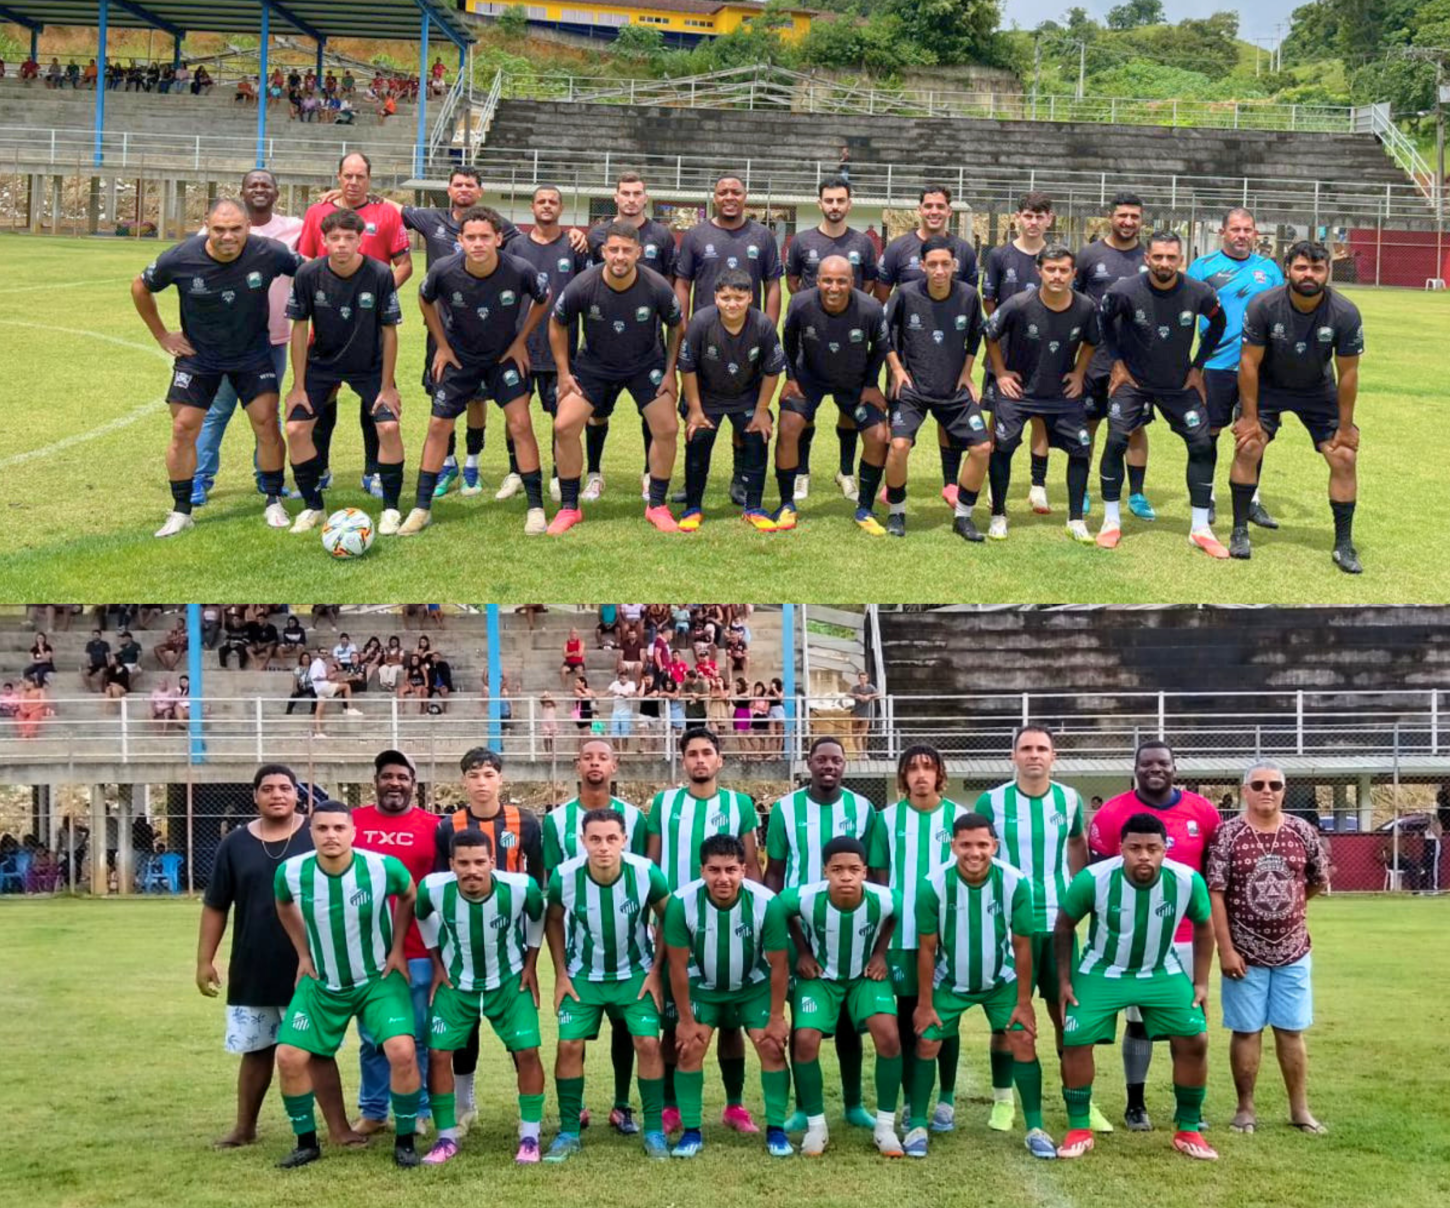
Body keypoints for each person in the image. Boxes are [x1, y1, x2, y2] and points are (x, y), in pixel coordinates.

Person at [196, 765, 358, 1150]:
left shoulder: (318, 835)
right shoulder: (235, 844)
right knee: (255, 1051)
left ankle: (339, 1128)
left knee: (315, 1050)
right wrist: (205, 960)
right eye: (267, 788)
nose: (277, 795)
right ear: (256, 796)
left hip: (310, 965)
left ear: (298, 794)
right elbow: (216, 905)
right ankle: (244, 1128)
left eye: (285, 787)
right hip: (253, 963)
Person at [1053, 813, 1217, 1162]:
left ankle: (1188, 1128)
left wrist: (1200, 982)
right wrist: (1065, 981)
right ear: (1121, 848)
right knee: (1075, 1039)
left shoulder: (1187, 880)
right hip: (1102, 971)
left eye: (1153, 848)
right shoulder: (1093, 879)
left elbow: (1205, 926)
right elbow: (1064, 926)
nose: (1144, 856)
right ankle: (1079, 1128)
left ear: (1165, 849)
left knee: (1195, 1038)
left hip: (1161, 970)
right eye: (1135, 848)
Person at [132, 196, 300, 536]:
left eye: (236, 229)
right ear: (206, 228)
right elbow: (140, 287)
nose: (228, 236)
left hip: (252, 355)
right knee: (183, 429)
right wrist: (163, 335)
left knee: (267, 425)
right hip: (200, 358)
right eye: (219, 229)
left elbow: (311, 272)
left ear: (248, 228)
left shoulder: (269, 252)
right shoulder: (181, 257)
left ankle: (272, 500)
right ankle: (181, 510)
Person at [272, 801, 423, 1169]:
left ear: (353, 832)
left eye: (339, 828)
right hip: (323, 982)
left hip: (377, 980)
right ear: (311, 833)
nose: (331, 835)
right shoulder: (290, 872)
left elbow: (409, 895)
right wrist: (303, 954)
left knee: (402, 1050)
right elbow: (283, 905)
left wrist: (398, 948)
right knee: (289, 1056)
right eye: (322, 829)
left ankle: (404, 1141)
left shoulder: (381, 866)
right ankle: (306, 1142)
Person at [977, 726, 1105, 1134]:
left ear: (1054, 756)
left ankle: (1081, 1103)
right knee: (1006, 1019)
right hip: (1007, 926)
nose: (1034, 755)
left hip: (1057, 926)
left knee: (1066, 1016)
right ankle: (1002, 1101)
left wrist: (1080, 898)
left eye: (1042, 749)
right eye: (1026, 748)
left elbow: (1076, 847)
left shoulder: (1069, 799)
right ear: (1013, 755)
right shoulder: (992, 800)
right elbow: (979, 853)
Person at [1089, 741, 1221, 1130]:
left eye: (1162, 763)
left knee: (1190, 1023)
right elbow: (1099, 874)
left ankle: (1190, 1110)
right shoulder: (1114, 812)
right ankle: (1136, 1104)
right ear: (1135, 768)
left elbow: (1213, 873)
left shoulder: (1203, 811)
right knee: (1139, 1022)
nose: (1154, 769)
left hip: (1186, 935)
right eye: (1146, 763)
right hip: (1136, 934)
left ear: (1175, 768)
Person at [908, 813, 1054, 1159]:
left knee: (1023, 1038)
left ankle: (1035, 1127)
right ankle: (916, 1123)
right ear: (953, 845)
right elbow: (926, 948)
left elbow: (1022, 945)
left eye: (982, 845)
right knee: (927, 1041)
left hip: (1001, 981)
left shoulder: (1016, 882)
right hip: (949, 980)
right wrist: (925, 1004)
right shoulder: (933, 884)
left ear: (995, 846)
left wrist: (1024, 1001)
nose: (974, 852)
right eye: (966, 845)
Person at [401, 205, 551, 537]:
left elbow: (543, 298)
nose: (478, 243)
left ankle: (536, 508)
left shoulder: (519, 269)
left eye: (485, 236)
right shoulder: (444, 269)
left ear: (499, 238)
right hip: (460, 357)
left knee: (521, 423)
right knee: (439, 424)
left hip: (503, 357)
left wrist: (521, 340)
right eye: (471, 237)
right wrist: (441, 343)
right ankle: (421, 508)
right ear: (461, 240)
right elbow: (424, 299)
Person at [647, 727, 763, 1135]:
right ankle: (670, 1104)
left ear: (719, 760)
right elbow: (651, 864)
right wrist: (654, 918)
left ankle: (734, 1106)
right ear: (683, 760)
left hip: (731, 923)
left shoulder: (740, 804)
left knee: (731, 1018)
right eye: (692, 753)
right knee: (673, 1020)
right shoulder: (663, 803)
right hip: (675, 926)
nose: (699, 759)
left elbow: (751, 863)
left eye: (707, 753)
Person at [1227, 240, 1366, 572]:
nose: (1309, 275)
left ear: (1327, 272)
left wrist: (1346, 427)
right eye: (1301, 267)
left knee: (1344, 456)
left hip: (1316, 391)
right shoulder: (1263, 305)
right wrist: (1248, 417)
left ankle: (1343, 543)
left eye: (1317, 269)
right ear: (1287, 269)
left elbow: (1348, 374)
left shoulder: (1345, 312)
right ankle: (1239, 530)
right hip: (1268, 388)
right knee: (1248, 447)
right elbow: (1248, 364)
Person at [1207, 761, 1329, 1135]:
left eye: (1274, 785)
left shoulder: (1301, 831)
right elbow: (1216, 892)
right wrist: (1226, 949)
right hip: (1244, 953)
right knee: (1246, 1030)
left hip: (1293, 951)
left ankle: (1300, 1110)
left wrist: (1287, 910)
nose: (1267, 791)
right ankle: (1245, 1109)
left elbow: (1316, 880)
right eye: (1258, 784)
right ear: (1245, 790)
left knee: (1291, 1030)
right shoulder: (1227, 835)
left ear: (1283, 790)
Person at [544, 808, 672, 1161]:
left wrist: (655, 972)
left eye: (611, 838)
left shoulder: (646, 873)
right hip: (583, 975)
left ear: (624, 840)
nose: (603, 846)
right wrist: (560, 973)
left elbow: (668, 918)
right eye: (595, 839)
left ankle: (655, 1132)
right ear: (583, 841)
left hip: (635, 972)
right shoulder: (564, 877)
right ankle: (569, 1132)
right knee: (568, 1046)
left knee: (647, 1043)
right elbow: (553, 920)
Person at [415, 829, 547, 1164]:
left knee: (528, 1051)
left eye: (479, 862)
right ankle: (446, 1137)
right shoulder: (432, 888)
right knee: (439, 1052)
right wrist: (436, 963)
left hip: (509, 979)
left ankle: (530, 1135)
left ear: (492, 861)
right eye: (463, 863)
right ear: (451, 864)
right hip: (457, 982)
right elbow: (421, 915)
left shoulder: (520, 888)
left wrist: (531, 964)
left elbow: (537, 916)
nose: (471, 870)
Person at [1096, 230, 1227, 555]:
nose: (1164, 263)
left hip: (1178, 383)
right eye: (1158, 257)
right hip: (1134, 383)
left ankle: (1200, 528)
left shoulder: (1200, 292)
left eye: (1171, 257)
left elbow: (1219, 323)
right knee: (1116, 440)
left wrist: (1198, 365)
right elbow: (1103, 321)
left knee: (1201, 443)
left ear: (1180, 260)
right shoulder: (1124, 290)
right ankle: (1111, 522)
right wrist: (1117, 363)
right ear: (1147, 258)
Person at [548, 222, 684, 534]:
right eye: (613, 250)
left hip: (644, 365)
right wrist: (564, 373)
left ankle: (657, 506)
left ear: (638, 252)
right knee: (564, 426)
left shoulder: (656, 286)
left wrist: (669, 372)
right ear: (603, 251)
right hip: (594, 365)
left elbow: (677, 325)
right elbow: (557, 323)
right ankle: (569, 507)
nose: (619, 257)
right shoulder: (583, 284)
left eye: (626, 250)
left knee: (667, 427)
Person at [664, 834, 792, 1158]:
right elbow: (677, 967)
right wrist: (685, 1019)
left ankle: (776, 1130)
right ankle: (692, 1132)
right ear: (702, 870)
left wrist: (777, 1018)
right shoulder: (681, 903)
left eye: (731, 870)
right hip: (702, 989)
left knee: (772, 1046)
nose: (723, 878)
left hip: (753, 987)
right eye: (714, 870)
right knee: (689, 1047)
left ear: (745, 869)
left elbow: (779, 965)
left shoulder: (767, 903)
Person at [296, 152, 412, 498]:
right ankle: (321, 468)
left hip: (369, 326)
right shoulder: (318, 212)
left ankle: (373, 471)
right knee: (323, 399)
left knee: (372, 400)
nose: (354, 182)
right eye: (348, 176)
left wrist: (376, 299)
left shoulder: (386, 212)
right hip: (326, 325)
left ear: (370, 179)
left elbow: (403, 263)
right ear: (338, 177)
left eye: (360, 176)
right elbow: (305, 261)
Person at [283, 208, 405, 534]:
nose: (341, 245)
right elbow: (298, 327)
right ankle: (313, 508)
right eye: (334, 238)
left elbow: (390, 331)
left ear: (360, 240)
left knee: (389, 428)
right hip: (322, 364)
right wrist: (297, 385)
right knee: (296, 429)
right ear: (323, 241)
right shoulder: (308, 274)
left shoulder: (379, 274)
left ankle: (391, 509)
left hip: (369, 365)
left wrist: (388, 386)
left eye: (349, 238)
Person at [866, 745, 968, 1135]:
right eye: (913, 769)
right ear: (903, 777)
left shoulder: (959, 818)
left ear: (940, 773)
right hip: (903, 935)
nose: (921, 775)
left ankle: (947, 1099)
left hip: (951, 933)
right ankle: (912, 1101)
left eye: (928, 767)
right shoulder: (887, 819)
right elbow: (878, 879)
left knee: (948, 1016)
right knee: (911, 1015)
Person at [778, 836, 902, 1157]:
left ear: (864, 872)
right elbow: (779, 908)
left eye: (853, 869)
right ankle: (816, 1127)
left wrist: (880, 953)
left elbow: (897, 914)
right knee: (804, 1039)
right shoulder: (806, 898)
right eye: (837, 869)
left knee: (888, 1035)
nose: (845, 876)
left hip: (864, 976)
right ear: (825, 871)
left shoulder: (884, 899)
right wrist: (802, 951)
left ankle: (885, 1127)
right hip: (821, 978)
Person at [674, 175, 785, 509]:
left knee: (745, 414)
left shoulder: (762, 235)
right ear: (714, 197)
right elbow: (683, 282)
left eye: (736, 191)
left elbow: (774, 283)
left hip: (748, 338)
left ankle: (740, 480)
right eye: (723, 192)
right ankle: (692, 484)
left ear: (745, 196)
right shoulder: (696, 234)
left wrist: (768, 325)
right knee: (698, 417)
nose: (729, 197)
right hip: (707, 337)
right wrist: (683, 324)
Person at [349, 750, 439, 1138]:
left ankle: (417, 1110)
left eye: (402, 777)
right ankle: (373, 1110)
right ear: (376, 781)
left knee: (417, 1034)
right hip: (363, 951)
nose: (394, 783)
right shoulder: (352, 823)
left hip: (418, 948)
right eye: (387, 776)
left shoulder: (435, 826)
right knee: (371, 1038)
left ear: (413, 784)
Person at [984, 243, 1098, 543]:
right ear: (1039, 271)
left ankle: (1075, 519)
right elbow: (990, 334)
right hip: (1019, 392)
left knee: (1081, 449)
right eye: (1051, 269)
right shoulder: (1019, 303)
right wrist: (1000, 372)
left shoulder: (1085, 306)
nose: (1057, 276)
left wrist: (1079, 372)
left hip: (1062, 393)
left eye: (1063, 270)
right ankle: (998, 514)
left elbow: (1091, 342)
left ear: (1073, 273)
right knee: (1003, 447)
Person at [882, 235, 990, 540]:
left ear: (954, 265)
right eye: (933, 264)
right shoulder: (904, 294)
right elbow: (882, 334)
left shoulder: (969, 295)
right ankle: (897, 511)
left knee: (982, 448)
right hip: (914, 388)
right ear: (922, 266)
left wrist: (968, 374)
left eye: (945, 264)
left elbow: (974, 336)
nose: (939, 270)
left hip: (953, 389)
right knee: (899, 446)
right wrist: (897, 369)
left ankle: (963, 517)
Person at [776, 256, 891, 533]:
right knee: (788, 427)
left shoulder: (870, 307)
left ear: (852, 282)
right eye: (827, 280)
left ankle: (864, 508)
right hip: (809, 379)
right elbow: (788, 339)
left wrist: (871, 384)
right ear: (818, 281)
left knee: (878, 436)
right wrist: (791, 378)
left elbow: (881, 346)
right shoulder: (801, 303)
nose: (834, 287)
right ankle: (786, 504)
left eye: (841, 281)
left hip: (854, 382)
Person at [1186, 208, 1284, 530]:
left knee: (1255, 434)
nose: (1242, 235)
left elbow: (1282, 315)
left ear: (1255, 233)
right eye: (1236, 229)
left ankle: (1251, 499)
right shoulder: (1203, 268)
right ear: (1223, 232)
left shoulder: (1269, 270)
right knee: (1209, 433)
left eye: (1248, 230)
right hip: (1215, 365)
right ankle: (1207, 496)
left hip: (1259, 369)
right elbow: (1185, 314)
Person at [784, 178, 880, 502]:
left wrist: (845, 311)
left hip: (849, 342)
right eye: (829, 200)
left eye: (841, 200)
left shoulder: (863, 244)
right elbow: (793, 281)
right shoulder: (802, 241)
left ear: (849, 204)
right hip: (811, 342)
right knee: (803, 412)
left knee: (849, 411)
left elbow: (867, 285)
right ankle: (801, 473)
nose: (835, 206)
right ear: (820, 203)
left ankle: (846, 471)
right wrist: (815, 312)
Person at [678, 268, 786, 531]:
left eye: (739, 297)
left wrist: (762, 410)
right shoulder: (701, 322)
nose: (732, 304)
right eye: (726, 298)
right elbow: (687, 367)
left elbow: (772, 371)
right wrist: (694, 409)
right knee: (698, 438)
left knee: (757, 436)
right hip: (706, 397)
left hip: (746, 396)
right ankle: (693, 507)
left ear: (750, 297)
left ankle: (754, 507)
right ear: (716, 298)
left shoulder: (762, 325)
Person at [504, 185, 593, 502]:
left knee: (563, 418)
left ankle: (559, 475)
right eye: (541, 201)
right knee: (515, 415)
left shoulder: (575, 247)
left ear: (561, 208)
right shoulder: (514, 246)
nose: (546, 206)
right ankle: (516, 472)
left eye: (552, 202)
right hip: (520, 347)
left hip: (561, 351)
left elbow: (588, 290)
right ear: (532, 207)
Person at [1074, 191, 1156, 521]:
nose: (1128, 221)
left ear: (1142, 219)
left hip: (1137, 359)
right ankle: (1081, 492)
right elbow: (1074, 302)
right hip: (1096, 355)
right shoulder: (1090, 255)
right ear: (1111, 216)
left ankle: (1136, 493)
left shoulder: (1150, 257)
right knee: (1089, 423)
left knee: (1135, 426)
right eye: (1122, 215)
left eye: (1134, 216)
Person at [849, 671, 878, 755]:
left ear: (867, 679)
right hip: (856, 712)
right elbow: (848, 694)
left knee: (863, 734)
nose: (862, 680)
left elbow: (878, 694)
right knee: (855, 733)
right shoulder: (856, 688)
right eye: (861, 678)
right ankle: (859, 752)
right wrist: (858, 696)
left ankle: (864, 752)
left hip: (866, 714)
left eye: (864, 678)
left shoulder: (870, 687)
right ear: (859, 679)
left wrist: (869, 696)